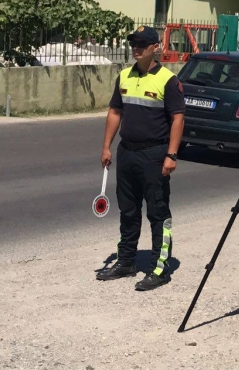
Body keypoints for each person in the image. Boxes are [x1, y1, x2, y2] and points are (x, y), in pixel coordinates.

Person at [97, 25, 185, 291]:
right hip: (127, 152)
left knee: (158, 212)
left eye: (142, 44)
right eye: (133, 44)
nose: (136, 48)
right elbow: (115, 111)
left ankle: (159, 268)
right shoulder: (124, 76)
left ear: (154, 47)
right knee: (128, 210)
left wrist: (171, 154)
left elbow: (177, 118)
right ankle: (126, 261)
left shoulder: (168, 80)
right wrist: (106, 147)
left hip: (155, 154)